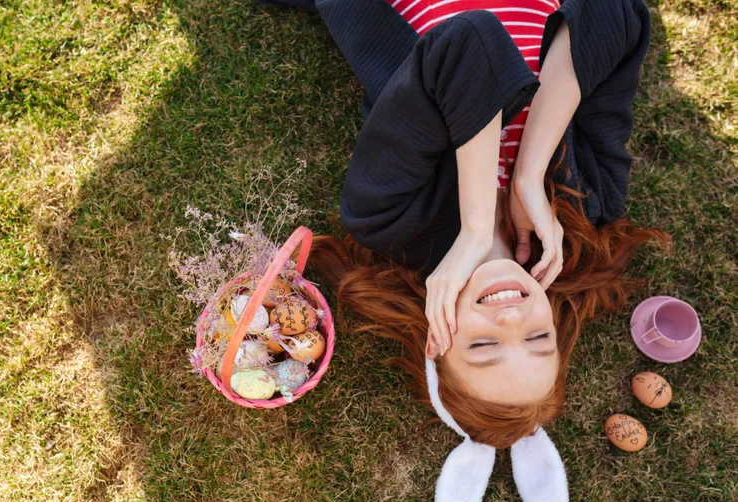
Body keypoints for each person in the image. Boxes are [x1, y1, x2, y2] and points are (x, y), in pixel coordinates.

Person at [259, 0, 668, 449]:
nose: (511, 317)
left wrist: (476, 230)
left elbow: (471, 40)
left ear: (438, 343)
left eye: (484, 347)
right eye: (537, 336)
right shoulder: (589, 204)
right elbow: (612, 11)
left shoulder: (387, 220)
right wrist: (527, 179)